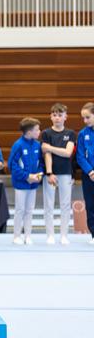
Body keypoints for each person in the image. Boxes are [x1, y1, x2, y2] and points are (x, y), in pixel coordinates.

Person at [41, 103, 76, 245]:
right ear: (51, 116)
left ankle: (64, 235)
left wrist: (49, 147)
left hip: (66, 173)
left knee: (65, 205)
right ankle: (50, 234)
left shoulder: (70, 133)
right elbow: (46, 154)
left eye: (60, 115)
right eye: (54, 115)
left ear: (65, 117)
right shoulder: (46, 133)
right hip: (51, 173)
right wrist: (49, 173)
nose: (57, 118)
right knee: (48, 205)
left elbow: (68, 153)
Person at [9, 117, 44, 246]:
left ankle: (28, 235)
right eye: (37, 129)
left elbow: (41, 163)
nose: (39, 131)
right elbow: (13, 165)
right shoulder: (18, 145)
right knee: (20, 209)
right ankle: (16, 236)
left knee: (29, 210)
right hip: (21, 184)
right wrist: (27, 176)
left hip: (33, 184)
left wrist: (39, 174)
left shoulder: (37, 145)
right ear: (29, 132)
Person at [76, 102, 94, 245]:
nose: (85, 121)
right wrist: (90, 171)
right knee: (91, 205)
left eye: (87, 117)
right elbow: (80, 156)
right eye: (83, 118)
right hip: (89, 176)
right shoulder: (82, 134)